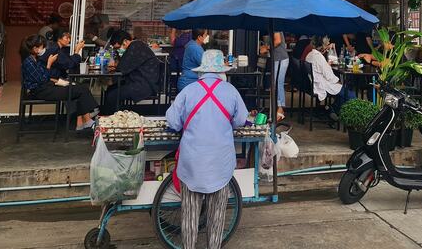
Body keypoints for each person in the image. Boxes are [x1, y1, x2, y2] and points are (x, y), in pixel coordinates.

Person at [166, 50, 248, 249]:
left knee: (190, 215)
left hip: (192, 164)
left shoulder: (189, 91)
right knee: (217, 216)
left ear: (201, 71)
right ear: (221, 71)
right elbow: (240, 120)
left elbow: (173, 121)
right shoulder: (231, 91)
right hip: (220, 164)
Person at [20, 34, 98, 130]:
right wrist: (49, 63)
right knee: (80, 89)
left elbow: (46, 76)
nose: (44, 49)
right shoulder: (29, 62)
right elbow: (42, 79)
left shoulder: (35, 58)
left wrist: (56, 80)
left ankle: (85, 120)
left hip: (46, 87)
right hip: (40, 91)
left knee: (79, 88)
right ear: (35, 49)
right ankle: (88, 117)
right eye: (42, 46)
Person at [101, 30, 161, 114]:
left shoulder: (135, 46)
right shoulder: (137, 45)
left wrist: (115, 68)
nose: (118, 50)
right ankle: (109, 114)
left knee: (112, 95)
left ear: (125, 41)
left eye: (118, 48)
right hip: (141, 81)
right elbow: (126, 65)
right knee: (110, 90)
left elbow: (122, 68)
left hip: (144, 85)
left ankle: (112, 118)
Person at [304, 42, 354, 115]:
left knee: (343, 92)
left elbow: (320, 68)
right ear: (324, 46)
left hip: (314, 83)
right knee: (351, 95)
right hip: (322, 85)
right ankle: (334, 110)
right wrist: (338, 81)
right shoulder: (318, 57)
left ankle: (333, 109)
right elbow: (329, 75)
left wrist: (326, 64)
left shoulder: (310, 54)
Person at [260, 31, 289, 121]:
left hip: (281, 58)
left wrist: (266, 48)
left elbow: (277, 41)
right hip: (276, 59)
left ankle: (280, 108)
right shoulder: (273, 25)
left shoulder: (276, 25)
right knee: (274, 84)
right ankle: (275, 109)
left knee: (278, 83)